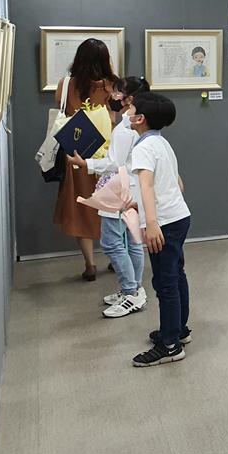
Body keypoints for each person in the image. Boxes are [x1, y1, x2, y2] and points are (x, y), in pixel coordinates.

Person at [68, 75, 150, 318]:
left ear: (129, 99)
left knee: (113, 242)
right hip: (132, 187)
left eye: (118, 92)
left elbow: (114, 163)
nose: (113, 96)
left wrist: (86, 163)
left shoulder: (126, 129)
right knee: (133, 241)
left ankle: (130, 292)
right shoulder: (137, 122)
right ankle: (135, 289)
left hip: (119, 188)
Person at [128, 92, 193, 367]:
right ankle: (178, 329)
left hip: (164, 223)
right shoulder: (161, 142)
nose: (127, 112)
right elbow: (178, 184)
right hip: (179, 217)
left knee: (165, 283)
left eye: (131, 109)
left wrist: (151, 223)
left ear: (140, 118)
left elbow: (147, 185)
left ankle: (169, 345)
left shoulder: (143, 148)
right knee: (176, 275)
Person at [53, 38, 117, 281]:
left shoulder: (66, 85)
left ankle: (90, 265)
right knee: (113, 206)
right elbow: (115, 119)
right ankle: (116, 258)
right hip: (107, 154)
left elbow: (62, 112)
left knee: (82, 209)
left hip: (76, 156)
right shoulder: (111, 86)